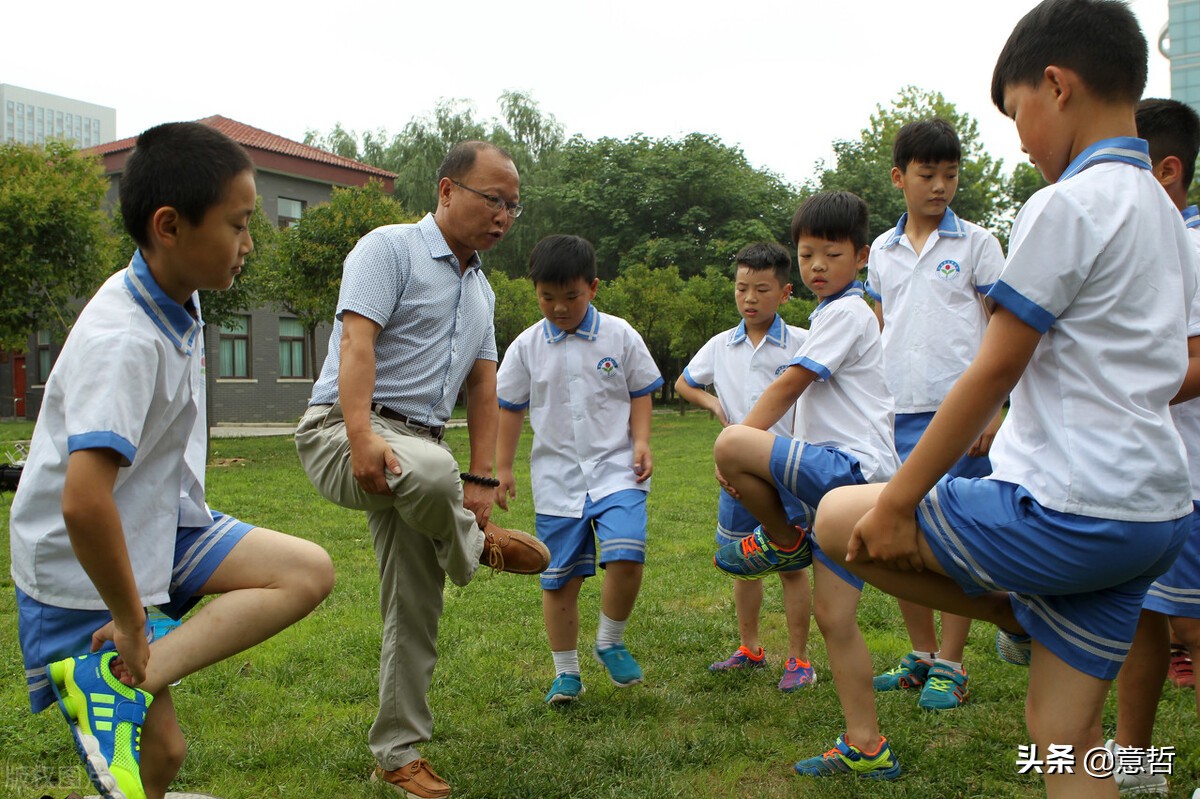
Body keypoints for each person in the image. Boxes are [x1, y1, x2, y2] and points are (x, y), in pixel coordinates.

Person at [814, 2, 1197, 796]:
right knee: (1061, 733)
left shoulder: (1066, 204)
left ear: (1055, 86)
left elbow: (993, 370)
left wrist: (901, 501)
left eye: (1016, 111)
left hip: (1070, 508)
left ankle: (1019, 606)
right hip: (1153, 513)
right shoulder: (1163, 211)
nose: (1019, 137)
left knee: (839, 516)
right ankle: (1034, 611)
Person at [9, 121, 335, 799]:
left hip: (164, 523)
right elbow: (82, 500)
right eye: (238, 224)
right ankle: (115, 665)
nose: (248, 243)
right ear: (169, 226)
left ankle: (128, 670)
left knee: (304, 570)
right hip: (86, 565)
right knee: (161, 756)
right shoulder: (123, 340)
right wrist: (130, 620)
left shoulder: (173, 301)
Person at [294, 141, 550, 798]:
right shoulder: (389, 250)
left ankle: (396, 753)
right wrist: (358, 436)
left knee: (416, 607)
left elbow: (484, 388)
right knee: (436, 474)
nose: (503, 216)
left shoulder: (483, 290)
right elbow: (358, 343)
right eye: (493, 199)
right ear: (445, 190)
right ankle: (475, 545)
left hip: (422, 450)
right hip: (342, 429)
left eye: (513, 207)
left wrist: (486, 480)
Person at [711, 191, 903, 779]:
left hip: (850, 471)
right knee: (834, 617)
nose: (818, 265)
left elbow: (792, 384)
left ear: (861, 256)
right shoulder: (832, 313)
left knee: (732, 443)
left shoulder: (846, 311)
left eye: (832, 254)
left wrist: (740, 444)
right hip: (845, 489)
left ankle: (784, 541)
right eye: (808, 254)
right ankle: (867, 746)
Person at [865, 118, 1006, 711]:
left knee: (955, 536)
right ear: (900, 177)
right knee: (900, 536)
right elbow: (877, 327)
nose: (940, 186)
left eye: (950, 174)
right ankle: (921, 656)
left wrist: (997, 410)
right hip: (895, 414)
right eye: (927, 174)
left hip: (961, 417)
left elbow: (1006, 327)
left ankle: (953, 662)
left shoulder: (977, 244)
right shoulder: (881, 250)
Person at [494, 234, 662, 704]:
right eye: (547, 298)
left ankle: (610, 639)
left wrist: (642, 440)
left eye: (571, 297)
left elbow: (640, 391)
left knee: (628, 551)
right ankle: (566, 673)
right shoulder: (527, 346)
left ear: (593, 287)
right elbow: (510, 407)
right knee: (559, 577)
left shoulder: (620, 335)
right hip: (557, 479)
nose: (559, 308)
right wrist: (502, 468)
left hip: (616, 469)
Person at [1104, 97, 1200, 797]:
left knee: (1194, 627)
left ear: (1167, 171)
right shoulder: (1141, 243)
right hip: (1141, 476)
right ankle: (1135, 764)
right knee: (1139, 622)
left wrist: (1118, 393)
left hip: (1192, 474)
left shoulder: (1192, 245)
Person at [674, 242, 815, 691]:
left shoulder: (802, 342)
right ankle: (750, 648)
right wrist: (714, 404)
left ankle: (798, 659)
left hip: (788, 469)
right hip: (737, 476)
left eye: (760, 289)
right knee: (743, 561)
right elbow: (683, 382)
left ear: (785, 292)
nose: (749, 298)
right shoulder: (721, 345)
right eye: (741, 289)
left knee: (792, 563)